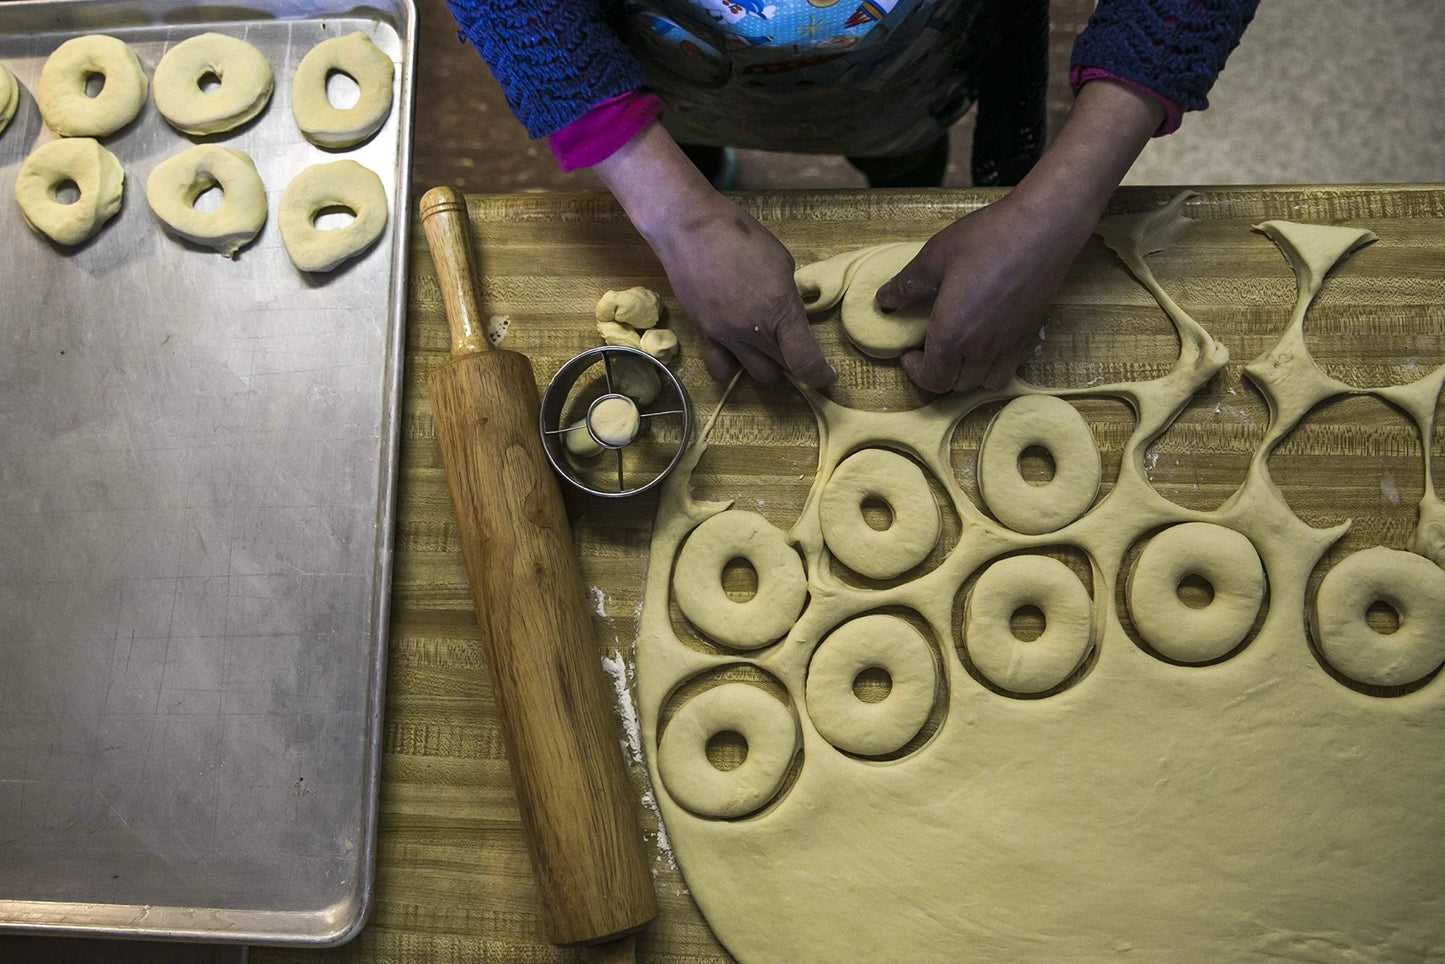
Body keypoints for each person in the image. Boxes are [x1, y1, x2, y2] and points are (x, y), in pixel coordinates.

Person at [446, 0, 1258, 393]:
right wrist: (672, 205)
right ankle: (705, 165)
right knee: (689, 142)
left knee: (902, 156)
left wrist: (1058, 208)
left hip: (903, 66)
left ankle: (899, 171)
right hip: (667, 57)